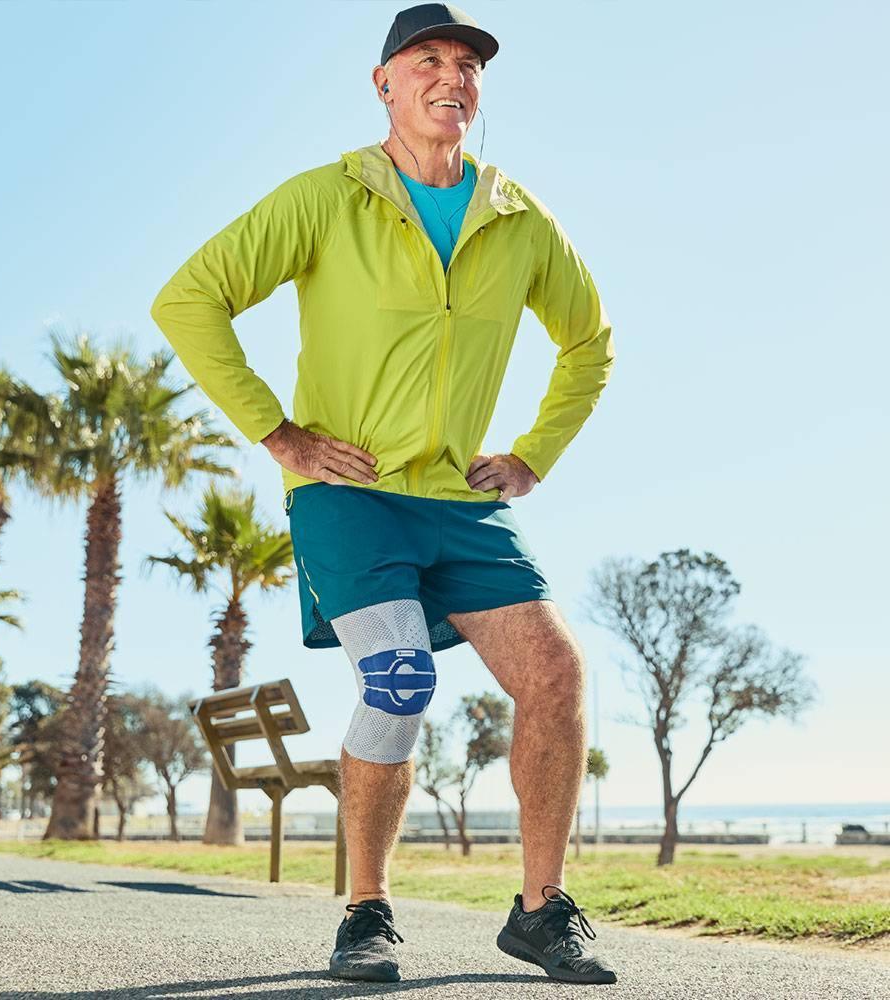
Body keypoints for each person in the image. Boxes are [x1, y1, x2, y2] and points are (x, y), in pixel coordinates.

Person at [150, 1, 617, 987]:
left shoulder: (516, 216)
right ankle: (365, 910)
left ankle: (540, 910)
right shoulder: (328, 196)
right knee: (400, 678)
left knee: (555, 675)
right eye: (428, 59)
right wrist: (276, 430)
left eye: (467, 64)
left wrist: (532, 455)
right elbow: (189, 297)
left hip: (462, 501)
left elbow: (588, 342)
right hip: (349, 493)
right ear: (384, 83)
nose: (452, 77)